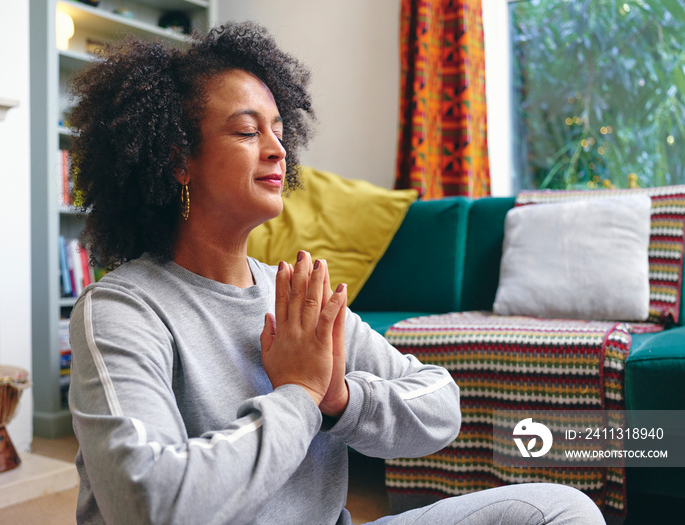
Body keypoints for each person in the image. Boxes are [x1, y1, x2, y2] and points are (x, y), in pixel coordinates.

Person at [67, 21, 605, 525]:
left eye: (278, 130)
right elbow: (147, 499)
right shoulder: (121, 309)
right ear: (178, 160)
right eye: (247, 131)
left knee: (561, 510)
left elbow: (442, 405)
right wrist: (299, 396)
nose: (278, 149)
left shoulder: (296, 299)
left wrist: (339, 400)